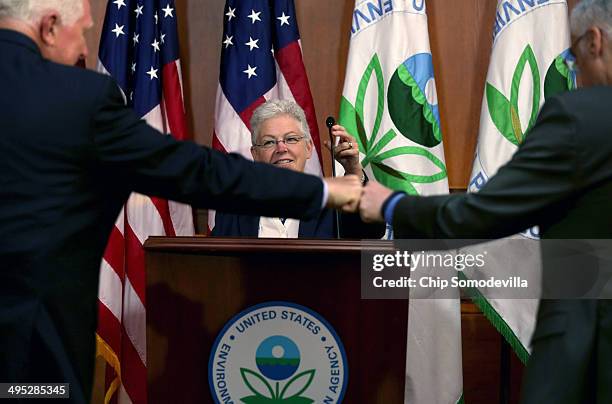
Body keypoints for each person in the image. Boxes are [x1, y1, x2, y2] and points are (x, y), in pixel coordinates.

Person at [0, 1, 361, 402]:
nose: (86, 49)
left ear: (310, 147)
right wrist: (323, 190)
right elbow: (190, 170)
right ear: (49, 26)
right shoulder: (75, 98)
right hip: (31, 357)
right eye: (82, 32)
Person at [359, 0, 612, 402]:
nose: (575, 73)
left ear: (595, 41)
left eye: (574, 58)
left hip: (591, 341)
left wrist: (392, 206)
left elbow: (487, 212)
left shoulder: (582, 114)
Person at [213, 99, 384, 239]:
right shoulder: (232, 211)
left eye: (291, 139)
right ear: (255, 154)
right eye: (269, 142)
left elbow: (371, 231)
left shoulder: (333, 205)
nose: (281, 148)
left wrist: (354, 172)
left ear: (308, 148)